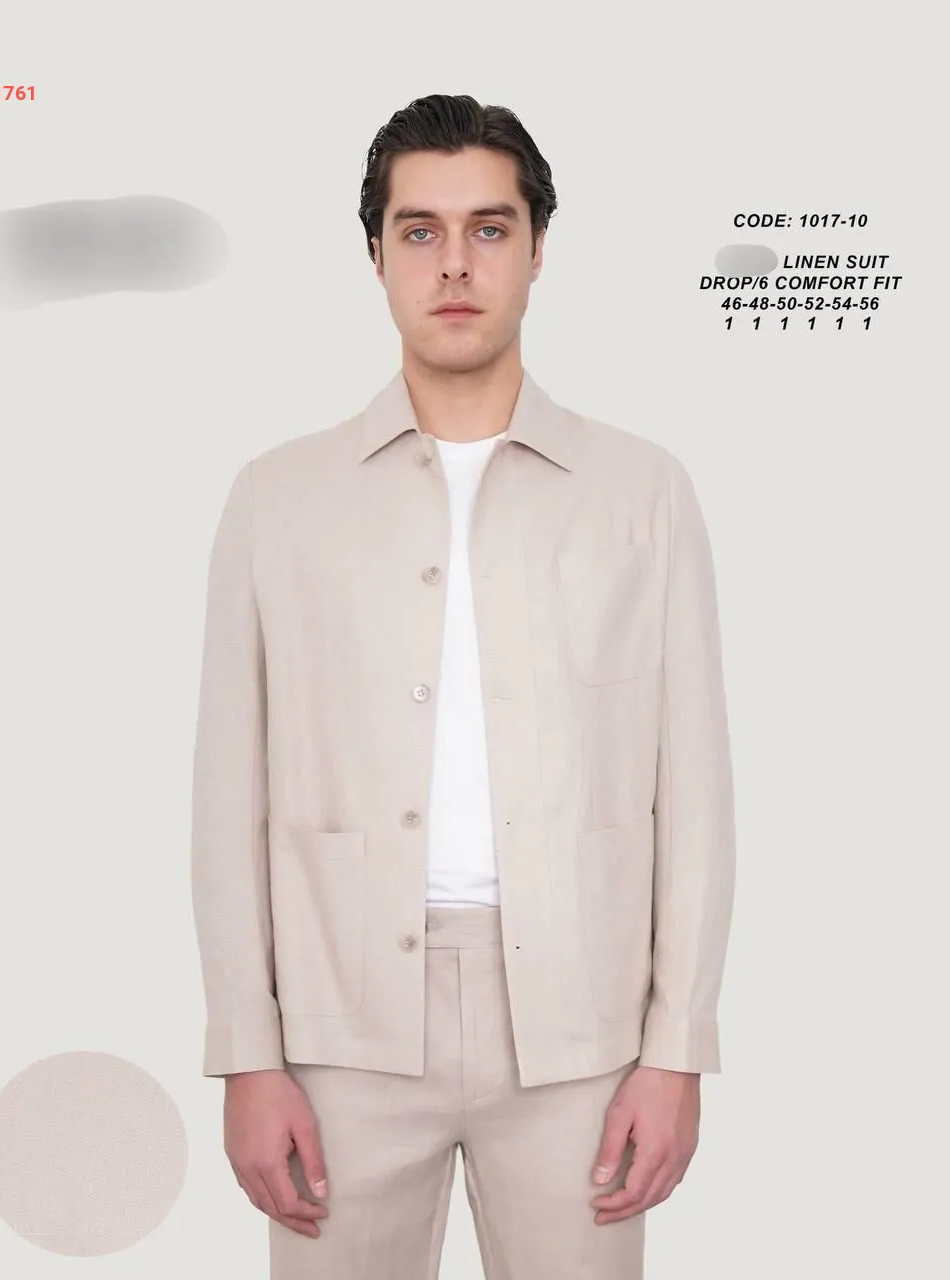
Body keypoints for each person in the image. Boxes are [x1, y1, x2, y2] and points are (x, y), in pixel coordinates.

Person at [190, 92, 736, 1280]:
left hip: (583, 1033)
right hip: (335, 1033)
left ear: (538, 249)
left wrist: (674, 1047)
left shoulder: (639, 492)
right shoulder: (277, 498)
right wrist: (247, 1052)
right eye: (419, 230)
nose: (453, 264)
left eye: (488, 229)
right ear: (374, 254)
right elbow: (226, 796)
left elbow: (692, 791)